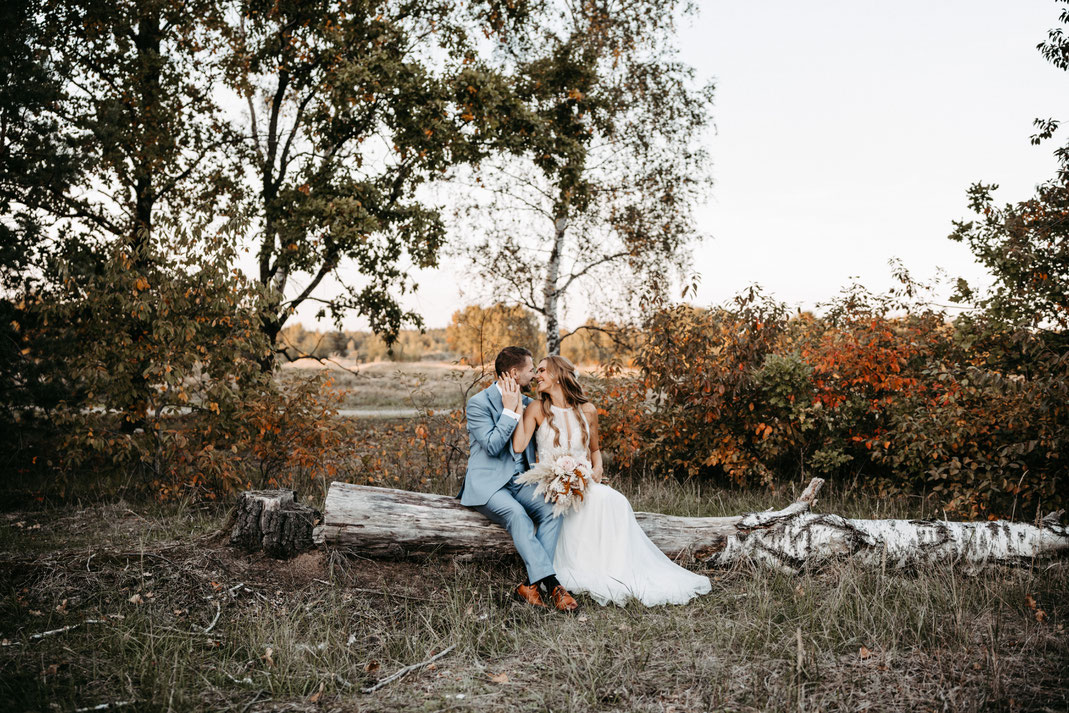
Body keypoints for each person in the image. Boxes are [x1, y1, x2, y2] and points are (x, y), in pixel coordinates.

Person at [511, 354, 712, 606]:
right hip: (551, 484)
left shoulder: (588, 410)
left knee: (614, 500)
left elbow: (595, 450)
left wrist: (597, 469)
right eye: (536, 371)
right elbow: (519, 446)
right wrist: (514, 406)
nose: (536, 376)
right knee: (568, 506)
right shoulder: (537, 409)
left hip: (583, 481)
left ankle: (615, 570)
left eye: (542, 371)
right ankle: (561, 573)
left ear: (557, 375)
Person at [457, 346, 580, 612]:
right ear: (514, 373)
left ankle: (530, 586)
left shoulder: (529, 403)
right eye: (530, 369)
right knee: (518, 515)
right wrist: (509, 412)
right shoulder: (479, 403)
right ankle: (554, 585)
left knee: (553, 510)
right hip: (489, 486)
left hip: (521, 482)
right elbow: (491, 446)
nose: (534, 374)